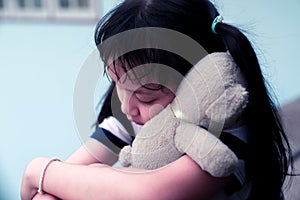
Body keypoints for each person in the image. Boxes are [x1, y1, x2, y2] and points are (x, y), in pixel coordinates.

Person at [21, 0, 295, 199]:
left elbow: (149, 193)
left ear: (198, 78)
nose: (127, 108)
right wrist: (50, 184)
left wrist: (40, 170)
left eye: (145, 95)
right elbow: (68, 177)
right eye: (118, 85)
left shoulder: (225, 135)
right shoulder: (129, 120)